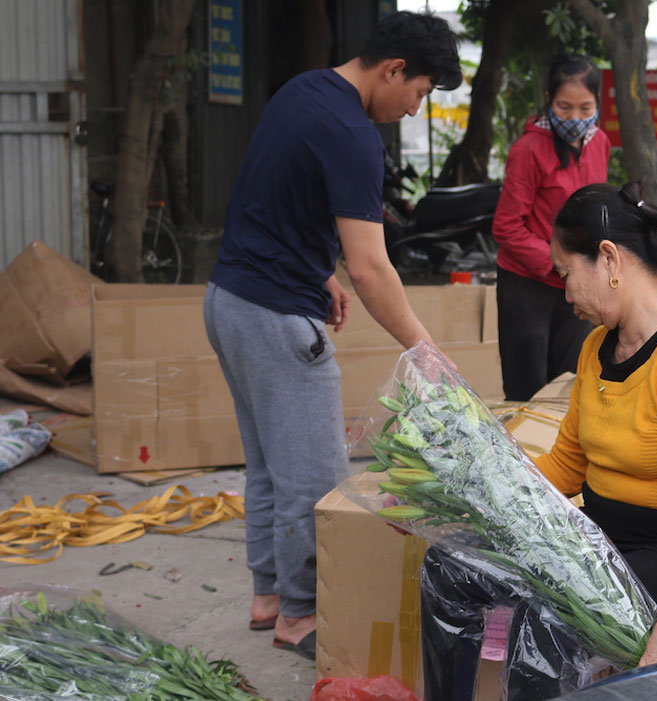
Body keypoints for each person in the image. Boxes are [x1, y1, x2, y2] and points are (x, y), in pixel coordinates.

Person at [419, 181, 657, 699]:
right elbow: (569, 464)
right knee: (450, 566)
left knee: (550, 618)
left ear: (608, 258)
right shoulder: (595, 349)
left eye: (566, 274)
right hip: (609, 532)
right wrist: (470, 491)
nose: (564, 294)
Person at [202, 11, 461, 661]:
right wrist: (423, 347)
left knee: (268, 463)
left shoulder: (304, 91)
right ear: (394, 68)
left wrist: (320, 270)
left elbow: (276, 196)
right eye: (420, 91)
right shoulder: (353, 134)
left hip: (229, 301)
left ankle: (270, 597)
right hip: (275, 317)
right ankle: (301, 614)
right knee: (316, 479)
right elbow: (373, 267)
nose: (413, 108)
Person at [491, 54, 610, 401]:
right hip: (527, 285)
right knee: (526, 386)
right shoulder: (528, 150)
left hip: (578, 283)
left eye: (585, 108)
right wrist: (558, 265)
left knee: (569, 382)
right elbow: (507, 226)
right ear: (548, 101)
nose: (575, 118)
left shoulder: (599, 142)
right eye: (564, 107)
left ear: (598, 103)